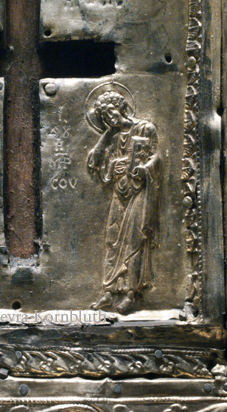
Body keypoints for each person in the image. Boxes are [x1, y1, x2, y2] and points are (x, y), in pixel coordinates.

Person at [87, 90, 161, 314]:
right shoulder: (113, 137)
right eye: (104, 118)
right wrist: (112, 166)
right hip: (119, 192)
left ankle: (130, 294)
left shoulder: (146, 128)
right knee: (113, 239)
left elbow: (157, 159)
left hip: (138, 192)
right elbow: (100, 167)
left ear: (120, 106)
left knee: (134, 240)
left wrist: (144, 168)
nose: (110, 119)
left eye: (110, 112)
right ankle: (108, 292)